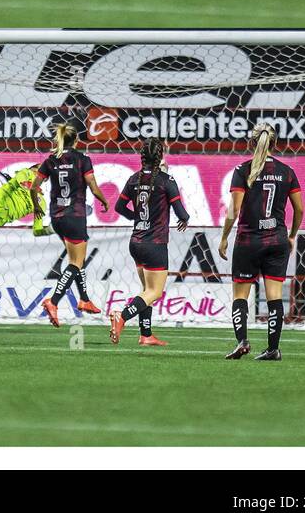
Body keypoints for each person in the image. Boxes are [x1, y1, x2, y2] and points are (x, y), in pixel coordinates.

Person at [218, 123, 303, 361]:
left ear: (251, 143)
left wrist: (224, 237)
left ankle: (242, 342)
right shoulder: (287, 171)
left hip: (248, 241)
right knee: (274, 295)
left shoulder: (243, 169)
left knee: (240, 295)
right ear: (275, 144)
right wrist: (292, 235)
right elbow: (300, 209)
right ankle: (273, 349)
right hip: (277, 240)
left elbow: (234, 211)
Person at [109, 137, 190, 347]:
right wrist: (185, 219)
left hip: (136, 242)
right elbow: (181, 213)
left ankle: (146, 335)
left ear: (141, 157)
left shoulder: (133, 179)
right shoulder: (166, 181)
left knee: (146, 290)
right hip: (155, 243)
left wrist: (135, 218)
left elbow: (118, 207)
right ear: (161, 157)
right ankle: (123, 317)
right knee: (155, 292)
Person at [31, 123, 109, 325]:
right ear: (76, 141)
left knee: (77, 260)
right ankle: (53, 301)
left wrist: (36, 207)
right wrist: (104, 200)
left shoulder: (50, 161)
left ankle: (84, 300)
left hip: (57, 217)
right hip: (75, 215)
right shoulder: (83, 160)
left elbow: (34, 187)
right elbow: (92, 186)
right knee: (76, 263)